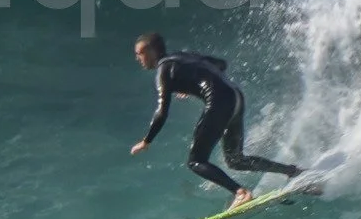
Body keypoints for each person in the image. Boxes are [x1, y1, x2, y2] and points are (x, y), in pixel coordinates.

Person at [128, 31, 299, 206]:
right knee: (235, 160)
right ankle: (291, 171)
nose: (138, 58)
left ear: (151, 51)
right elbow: (221, 64)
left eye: (139, 53)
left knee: (196, 161)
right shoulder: (182, 57)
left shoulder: (163, 70)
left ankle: (241, 193)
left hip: (219, 102)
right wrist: (190, 81)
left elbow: (162, 110)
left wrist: (147, 140)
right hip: (235, 96)